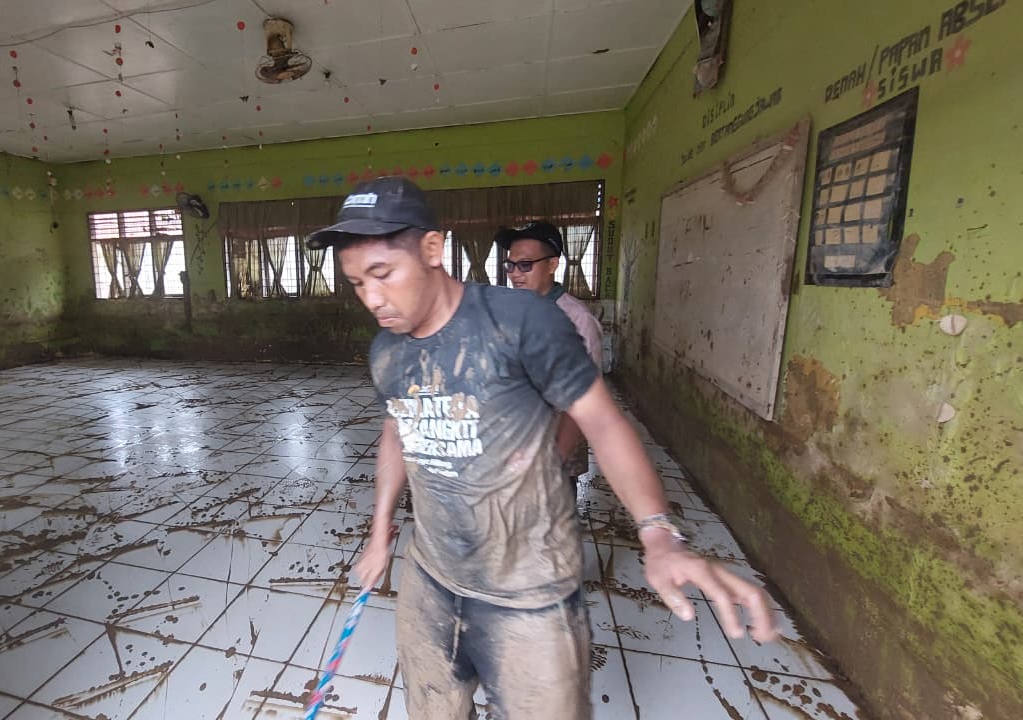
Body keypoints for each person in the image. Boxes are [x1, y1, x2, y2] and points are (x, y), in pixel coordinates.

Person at [307, 177, 777, 720]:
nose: (371, 298)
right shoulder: (387, 351)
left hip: (530, 593)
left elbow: (602, 420)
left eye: (383, 274)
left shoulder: (521, 321)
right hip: (431, 579)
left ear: (433, 249)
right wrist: (379, 534)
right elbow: (397, 430)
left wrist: (657, 533)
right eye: (357, 282)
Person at [496, 221, 603, 496]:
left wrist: (555, 460)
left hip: (556, 450)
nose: (515, 274)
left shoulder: (577, 319)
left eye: (525, 265)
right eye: (510, 265)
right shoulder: (510, 310)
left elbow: (583, 401)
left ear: (552, 264)